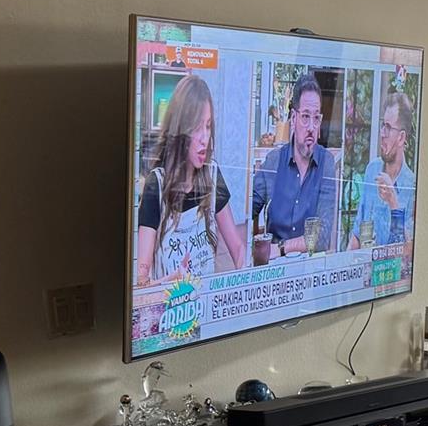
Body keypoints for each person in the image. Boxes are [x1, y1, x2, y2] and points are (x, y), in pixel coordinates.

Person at [135, 74, 246, 285]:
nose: (205, 138)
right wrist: (173, 281)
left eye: (208, 126)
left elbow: (238, 250)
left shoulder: (212, 175)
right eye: (196, 128)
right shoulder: (155, 186)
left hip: (206, 312)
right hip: (172, 313)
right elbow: (142, 282)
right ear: (179, 130)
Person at [251, 74, 338, 260]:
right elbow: (247, 209)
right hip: (275, 270)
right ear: (293, 118)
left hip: (310, 270)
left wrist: (281, 248)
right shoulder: (274, 161)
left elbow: (322, 237)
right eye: (305, 117)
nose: (311, 127)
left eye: (316, 118)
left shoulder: (327, 163)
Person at [347, 91, 416, 250]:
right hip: (366, 270)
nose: (382, 134)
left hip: (392, 272)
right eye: (382, 126)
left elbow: (408, 252)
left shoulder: (411, 184)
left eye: (388, 128)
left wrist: (393, 202)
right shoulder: (372, 170)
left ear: (401, 138)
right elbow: (357, 235)